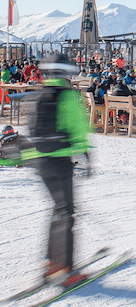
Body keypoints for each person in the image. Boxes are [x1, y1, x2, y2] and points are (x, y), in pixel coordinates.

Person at [17, 54, 92, 287]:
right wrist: (86, 156)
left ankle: (51, 264)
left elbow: (29, 127)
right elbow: (78, 128)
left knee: (57, 210)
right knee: (66, 213)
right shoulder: (68, 96)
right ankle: (65, 270)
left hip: (40, 160)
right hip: (60, 160)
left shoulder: (37, 94)